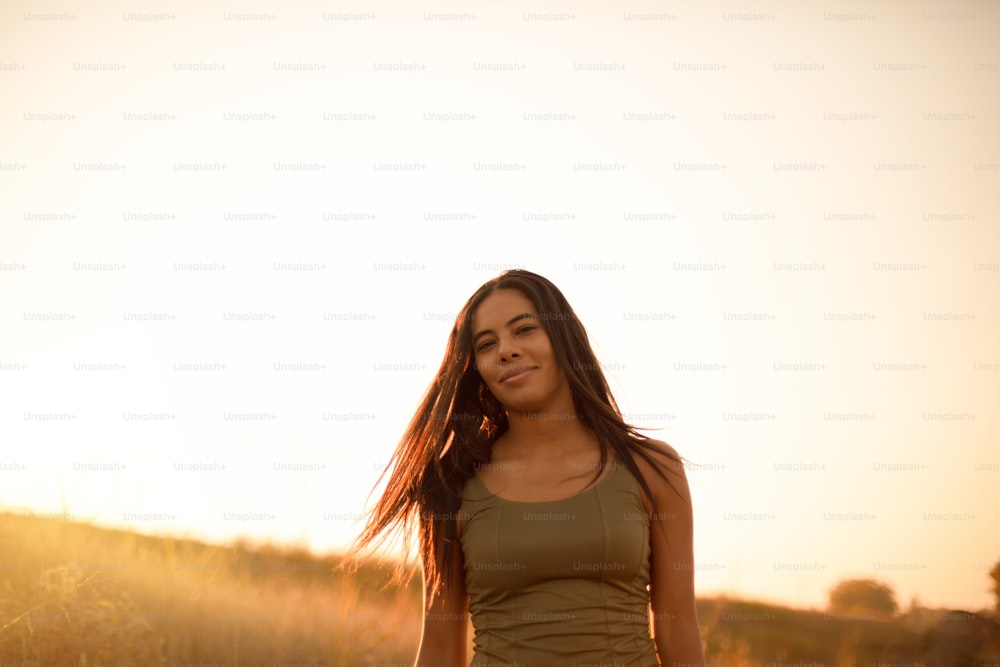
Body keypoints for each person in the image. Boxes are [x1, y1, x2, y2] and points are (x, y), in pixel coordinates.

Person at [352, 269, 705, 667]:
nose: (506, 350)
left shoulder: (653, 468)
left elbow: (677, 629)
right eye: (487, 344)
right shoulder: (450, 485)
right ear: (478, 369)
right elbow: (439, 650)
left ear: (563, 339)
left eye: (524, 330)